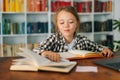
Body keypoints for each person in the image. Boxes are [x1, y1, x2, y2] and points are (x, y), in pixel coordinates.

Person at [34, 6, 113, 62]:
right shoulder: (53, 39)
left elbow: (99, 48)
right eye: (62, 23)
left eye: (71, 22)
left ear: (76, 23)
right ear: (57, 25)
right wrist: (44, 52)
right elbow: (35, 50)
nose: (66, 26)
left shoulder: (83, 40)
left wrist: (105, 49)